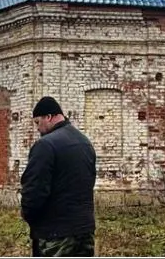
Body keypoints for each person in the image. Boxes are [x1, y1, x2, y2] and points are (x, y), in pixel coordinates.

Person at [21, 96, 97, 257]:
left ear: (48, 117)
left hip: (55, 235)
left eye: (37, 122)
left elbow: (34, 191)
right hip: (85, 232)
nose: (37, 128)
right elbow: (89, 182)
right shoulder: (85, 143)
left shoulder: (45, 145)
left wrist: (28, 215)